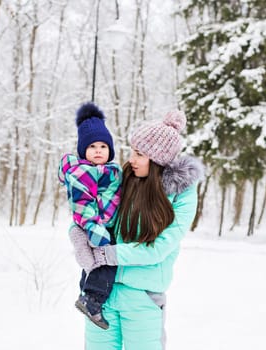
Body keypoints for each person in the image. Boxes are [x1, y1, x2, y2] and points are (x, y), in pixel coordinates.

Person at [70, 109, 204, 349]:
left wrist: (108, 255)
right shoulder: (121, 178)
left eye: (139, 154)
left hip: (142, 297)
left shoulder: (181, 194)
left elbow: (159, 248)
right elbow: (89, 212)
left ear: (158, 160)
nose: (131, 158)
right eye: (132, 151)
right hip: (102, 293)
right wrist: (80, 236)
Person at [58, 102, 122, 330]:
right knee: (107, 262)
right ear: (83, 150)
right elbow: (82, 204)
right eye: (92, 146)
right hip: (95, 226)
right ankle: (92, 300)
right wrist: (96, 231)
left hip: (106, 224)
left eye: (103, 146)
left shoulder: (111, 170)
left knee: (94, 264)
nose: (98, 150)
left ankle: (86, 294)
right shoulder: (82, 172)